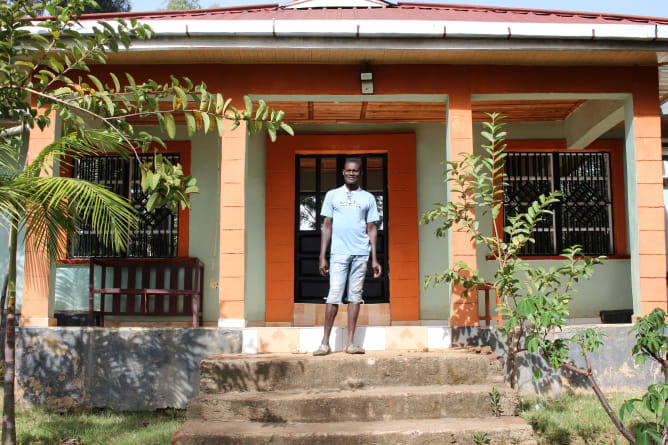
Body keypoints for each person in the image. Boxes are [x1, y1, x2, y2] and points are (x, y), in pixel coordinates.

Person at [312, 157, 381, 356]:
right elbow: (326, 226)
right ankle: (324, 343)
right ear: (343, 172)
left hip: (361, 254)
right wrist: (322, 256)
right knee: (333, 295)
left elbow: (371, 228)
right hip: (338, 254)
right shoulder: (332, 195)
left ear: (360, 173)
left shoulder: (368, 198)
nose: (352, 173)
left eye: (356, 171)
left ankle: (350, 343)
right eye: (349, 170)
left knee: (355, 297)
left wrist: (374, 258)